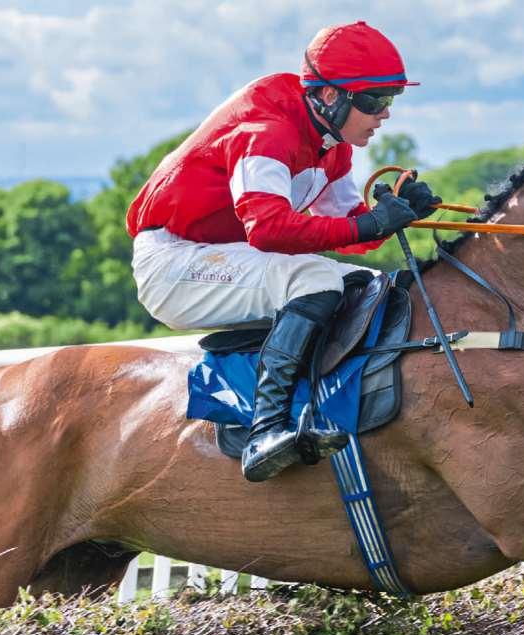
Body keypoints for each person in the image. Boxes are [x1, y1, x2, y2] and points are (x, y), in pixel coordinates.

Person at [127, 21, 439, 483]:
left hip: (222, 256)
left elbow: (352, 231)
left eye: (391, 99)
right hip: (174, 262)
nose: (385, 114)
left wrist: (397, 214)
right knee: (314, 279)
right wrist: (369, 223)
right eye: (374, 100)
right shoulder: (269, 132)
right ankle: (265, 430)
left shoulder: (332, 146)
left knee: (361, 283)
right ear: (330, 96)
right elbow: (268, 230)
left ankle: (312, 405)